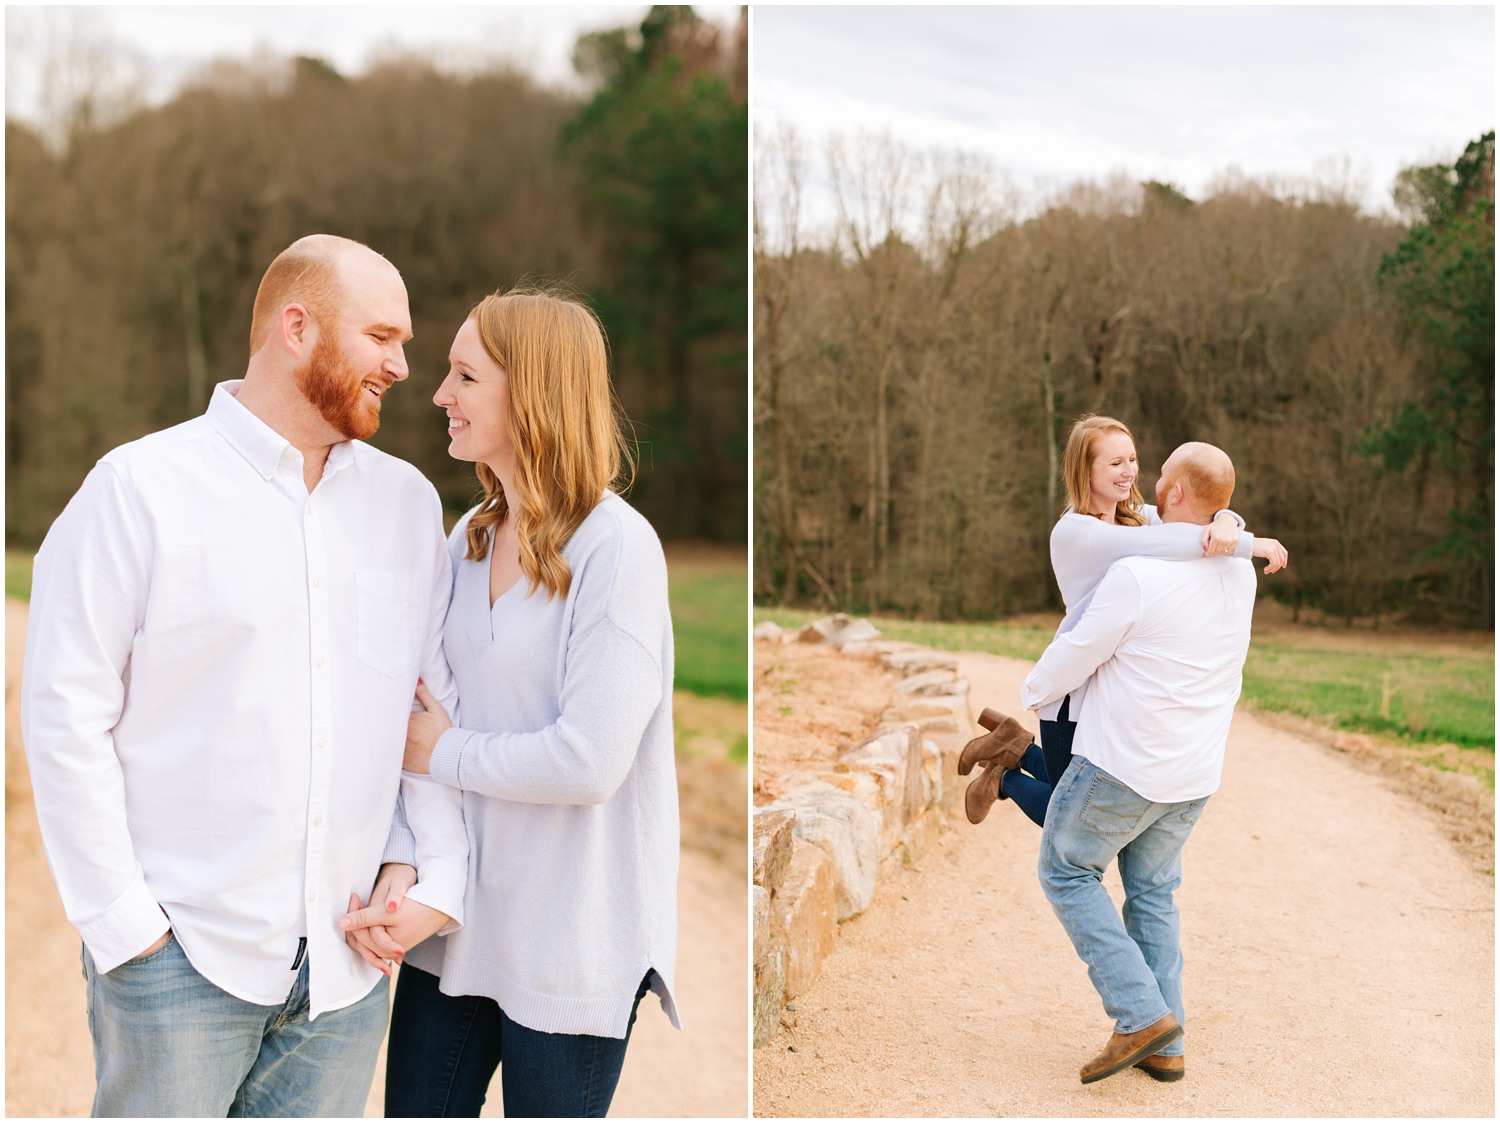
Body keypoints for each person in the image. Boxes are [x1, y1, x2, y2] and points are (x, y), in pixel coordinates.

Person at [20, 234, 468, 1117]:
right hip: (179, 964)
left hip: (344, 978)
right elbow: (62, 713)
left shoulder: (410, 506)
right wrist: (128, 931)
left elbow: (420, 711)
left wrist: (408, 857)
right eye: (383, 337)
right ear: (296, 328)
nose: (403, 366)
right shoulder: (136, 490)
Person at [341, 285, 680, 1118]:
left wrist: (444, 751)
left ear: (528, 392)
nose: (439, 395)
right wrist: (404, 863)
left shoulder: (618, 549)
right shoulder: (467, 540)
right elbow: (415, 713)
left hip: (571, 941)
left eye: (463, 376)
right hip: (454, 930)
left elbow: (590, 760)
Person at [1020, 441, 1258, 1084]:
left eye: (1159, 477)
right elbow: (1221, 537)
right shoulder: (1241, 569)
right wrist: (1236, 529)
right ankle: (1166, 1043)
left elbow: (1079, 650)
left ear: (1175, 492)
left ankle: (1141, 1016)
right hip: (1194, 776)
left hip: (1124, 767)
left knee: (1066, 870)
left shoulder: (1138, 575)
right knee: (1153, 894)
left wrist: (1033, 692)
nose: (1146, 482)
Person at [959, 415, 1287, 826]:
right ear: (1086, 470)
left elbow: (1189, 521)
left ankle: (1013, 745)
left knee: (1078, 792)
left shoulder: (1135, 515)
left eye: (1132, 458)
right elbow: (1170, 539)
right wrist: (1245, 541)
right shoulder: (1075, 532)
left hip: (1108, 689)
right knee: (1070, 816)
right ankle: (1002, 779)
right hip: (1072, 691)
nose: (1130, 470)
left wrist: (1226, 519)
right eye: (1115, 463)